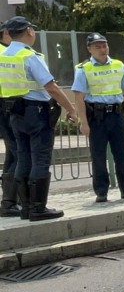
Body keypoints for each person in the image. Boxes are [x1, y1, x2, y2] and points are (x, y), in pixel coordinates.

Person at [0, 16, 78, 221]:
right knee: (40, 159)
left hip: (15, 113)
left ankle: (25, 207)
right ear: (29, 31)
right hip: (36, 112)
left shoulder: (3, 55)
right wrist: (71, 109)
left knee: (23, 157)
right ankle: (38, 208)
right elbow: (51, 86)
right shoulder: (29, 56)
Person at [71, 32, 124, 203]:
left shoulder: (118, 65)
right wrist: (84, 122)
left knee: (122, 154)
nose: (102, 49)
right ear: (89, 49)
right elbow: (79, 97)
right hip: (97, 117)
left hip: (117, 115)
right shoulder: (83, 69)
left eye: (104, 46)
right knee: (98, 156)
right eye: (98, 47)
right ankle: (101, 191)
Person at [0, 20, 21, 217]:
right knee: (17, 152)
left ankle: (13, 199)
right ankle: (9, 202)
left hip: (6, 105)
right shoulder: (4, 53)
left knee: (13, 153)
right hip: (6, 105)